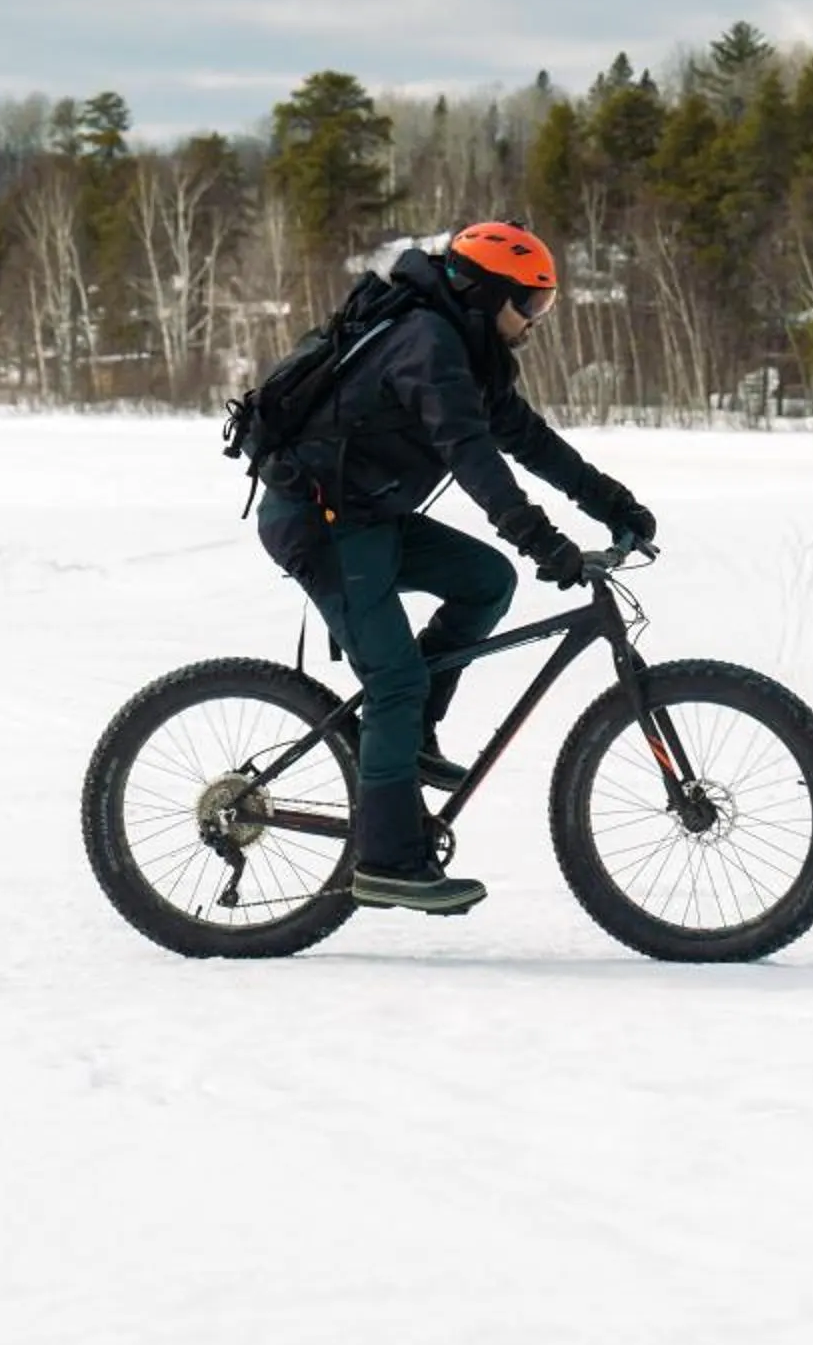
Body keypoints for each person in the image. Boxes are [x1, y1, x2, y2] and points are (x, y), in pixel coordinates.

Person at [253, 222, 656, 916]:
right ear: (487, 294)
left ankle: (411, 742)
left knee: (486, 582)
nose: (536, 320)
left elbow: (527, 440)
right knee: (395, 679)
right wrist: (542, 540)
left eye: (546, 305)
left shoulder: (468, 348)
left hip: (366, 515)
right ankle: (387, 861)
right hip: (320, 524)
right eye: (529, 304)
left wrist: (613, 503)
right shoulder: (428, 346)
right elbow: (472, 455)